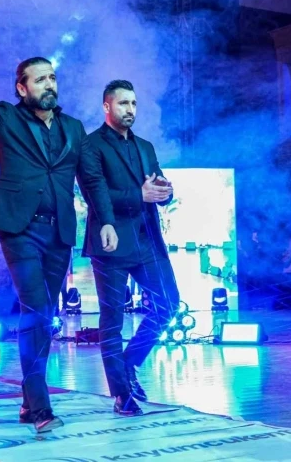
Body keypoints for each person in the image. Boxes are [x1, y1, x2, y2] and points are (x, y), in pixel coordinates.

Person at [0, 13, 118, 432]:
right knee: (36, 309)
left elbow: (91, 179)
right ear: (22, 88)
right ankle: (40, 408)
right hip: (20, 229)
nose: (49, 85)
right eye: (40, 80)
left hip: (59, 231)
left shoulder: (73, 128)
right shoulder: (6, 118)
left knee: (44, 315)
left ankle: (28, 401)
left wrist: (106, 220)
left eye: (52, 78)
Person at [82, 80, 180, 416]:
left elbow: (159, 189)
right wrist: (139, 195)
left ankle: (129, 361)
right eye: (123, 103)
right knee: (112, 319)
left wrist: (165, 192)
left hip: (147, 240)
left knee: (169, 303)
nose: (130, 110)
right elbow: (94, 194)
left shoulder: (145, 147)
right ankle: (121, 394)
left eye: (134, 104)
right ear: (107, 106)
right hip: (110, 242)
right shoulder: (91, 145)